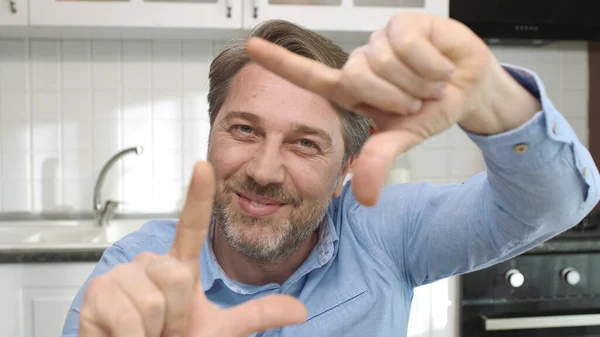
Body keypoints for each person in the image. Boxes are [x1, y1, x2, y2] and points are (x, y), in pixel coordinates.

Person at [62, 12, 599, 337]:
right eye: (244, 130)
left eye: (304, 143)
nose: (265, 170)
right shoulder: (135, 274)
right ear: (211, 134)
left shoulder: (384, 234)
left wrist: (488, 96)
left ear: (347, 169)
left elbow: (552, 202)